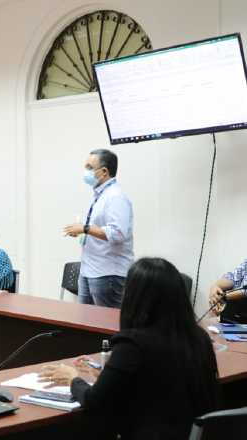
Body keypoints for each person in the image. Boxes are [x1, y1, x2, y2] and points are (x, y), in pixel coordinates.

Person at [39, 258, 218, 440]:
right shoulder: (199, 338)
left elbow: (95, 402)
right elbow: (158, 382)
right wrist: (107, 374)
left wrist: (73, 379)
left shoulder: (133, 344)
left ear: (135, 297)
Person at [63, 149, 133, 309]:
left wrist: (85, 228)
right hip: (89, 270)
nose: (85, 172)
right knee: (85, 324)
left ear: (104, 172)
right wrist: (82, 231)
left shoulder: (116, 197)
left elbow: (118, 234)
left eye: (89, 167)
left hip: (108, 273)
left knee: (106, 326)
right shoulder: (99, 195)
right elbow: (98, 229)